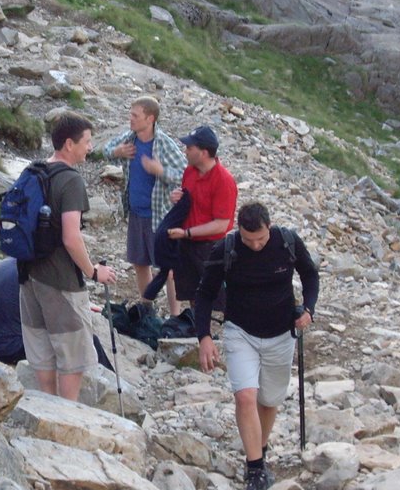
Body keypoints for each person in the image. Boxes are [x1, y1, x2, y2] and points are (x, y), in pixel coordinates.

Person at [194, 202, 319, 490]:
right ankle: (254, 468)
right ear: (239, 230)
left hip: (281, 333)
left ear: (269, 227)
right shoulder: (227, 248)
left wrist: (309, 310)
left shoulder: (287, 242)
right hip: (240, 332)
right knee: (245, 396)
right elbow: (205, 294)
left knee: (269, 400)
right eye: (249, 240)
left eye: (260, 239)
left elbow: (310, 275)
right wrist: (204, 337)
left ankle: (259, 448)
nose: (256, 245)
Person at [19, 111, 117, 401]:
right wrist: (92, 271)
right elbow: (71, 237)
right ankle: (66, 414)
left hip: (28, 275)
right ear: (69, 145)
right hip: (60, 280)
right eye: (86, 141)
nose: (90, 147)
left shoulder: (33, 170)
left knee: (42, 352)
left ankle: (47, 410)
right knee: (71, 355)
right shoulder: (71, 181)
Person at [103, 96, 186, 316]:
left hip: (159, 216)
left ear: (150, 118)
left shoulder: (164, 144)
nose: (130, 119)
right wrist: (117, 152)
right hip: (136, 213)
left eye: (135, 115)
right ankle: (147, 310)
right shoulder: (130, 138)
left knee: (167, 270)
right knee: (140, 263)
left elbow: (186, 176)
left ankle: (176, 315)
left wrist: (160, 171)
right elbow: (105, 149)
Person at [0, 258, 113, 370]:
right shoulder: (40, 274)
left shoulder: (9, 262)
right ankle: (112, 384)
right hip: (11, 348)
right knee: (88, 340)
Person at [165, 125, 237, 314]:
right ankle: (196, 329)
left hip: (210, 247)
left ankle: (216, 333)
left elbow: (221, 224)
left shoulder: (223, 180)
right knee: (191, 291)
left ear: (204, 152)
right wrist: (177, 199)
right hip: (187, 243)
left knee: (216, 296)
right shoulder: (190, 171)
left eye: (190, 148)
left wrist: (187, 233)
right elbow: (188, 201)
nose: (185, 151)